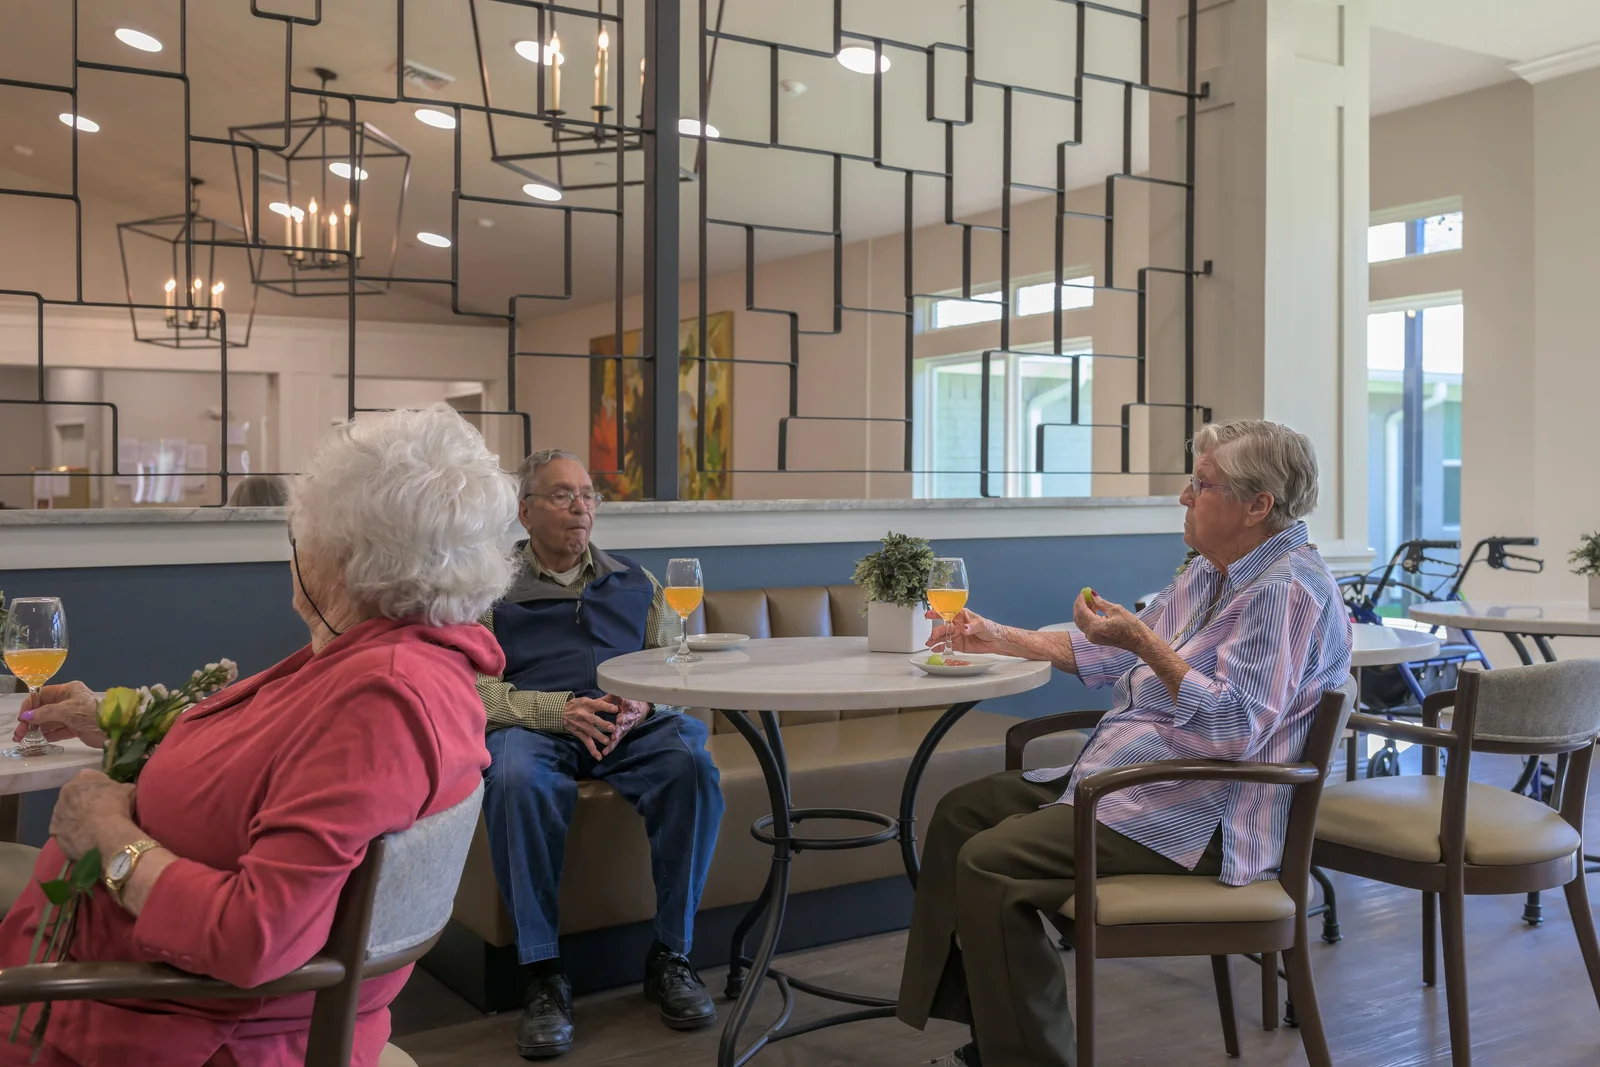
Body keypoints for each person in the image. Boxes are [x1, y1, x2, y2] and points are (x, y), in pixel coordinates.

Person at [0, 405, 518, 1067]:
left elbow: (255, 936)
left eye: (302, 531)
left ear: (342, 555)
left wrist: (106, 836)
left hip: (163, 1029)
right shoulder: (369, 657)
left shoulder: (383, 697)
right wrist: (111, 721)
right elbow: (258, 772)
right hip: (129, 996)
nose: (294, 547)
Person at [899, 419, 1354, 1067]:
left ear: (1259, 505)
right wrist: (999, 635)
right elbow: (1109, 653)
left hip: (1207, 818)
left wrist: (1146, 644)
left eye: (1203, 484)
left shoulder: (1284, 591)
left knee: (990, 861)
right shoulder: (1212, 572)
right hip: (1147, 780)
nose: (1184, 495)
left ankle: (1024, 1057)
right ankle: (991, 1031)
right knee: (958, 814)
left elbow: (1235, 727)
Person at [478, 449, 724, 1060]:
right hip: (538, 727)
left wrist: (645, 703)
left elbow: (676, 662)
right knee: (511, 779)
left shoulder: (637, 581)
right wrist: (555, 710)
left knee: (691, 762)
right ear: (524, 511)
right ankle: (542, 975)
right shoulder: (488, 589)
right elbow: (468, 686)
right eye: (562, 495)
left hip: (627, 726)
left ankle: (672, 955)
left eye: (588, 494)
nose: (580, 506)